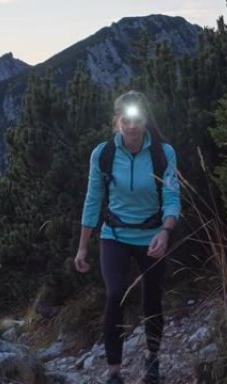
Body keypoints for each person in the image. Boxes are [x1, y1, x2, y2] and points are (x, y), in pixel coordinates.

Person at [74, 90, 181, 384]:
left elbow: (172, 197)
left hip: (152, 236)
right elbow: (93, 199)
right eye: (126, 120)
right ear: (116, 121)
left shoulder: (164, 153)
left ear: (146, 120)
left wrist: (166, 230)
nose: (132, 127)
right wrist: (82, 247)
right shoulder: (104, 154)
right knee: (114, 294)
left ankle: (152, 359)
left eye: (137, 119)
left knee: (152, 298)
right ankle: (114, 371)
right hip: (115, 236)